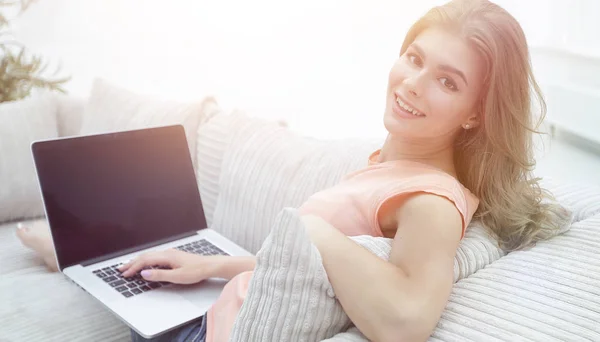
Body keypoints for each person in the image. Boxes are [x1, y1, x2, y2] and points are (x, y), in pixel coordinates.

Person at [16, 0, 571, 341]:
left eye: (447, 82)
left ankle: (72, 251)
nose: (412, 84)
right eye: (415, 57)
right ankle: (79, 250)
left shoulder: (431, 200)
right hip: (218, 303)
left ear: (477, 113)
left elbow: (404, 321)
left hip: (206, 333)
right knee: (147, 251)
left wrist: (313, 231)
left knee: (113, 251)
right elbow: (312, 273)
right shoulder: (389, 168)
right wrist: (211, 266)